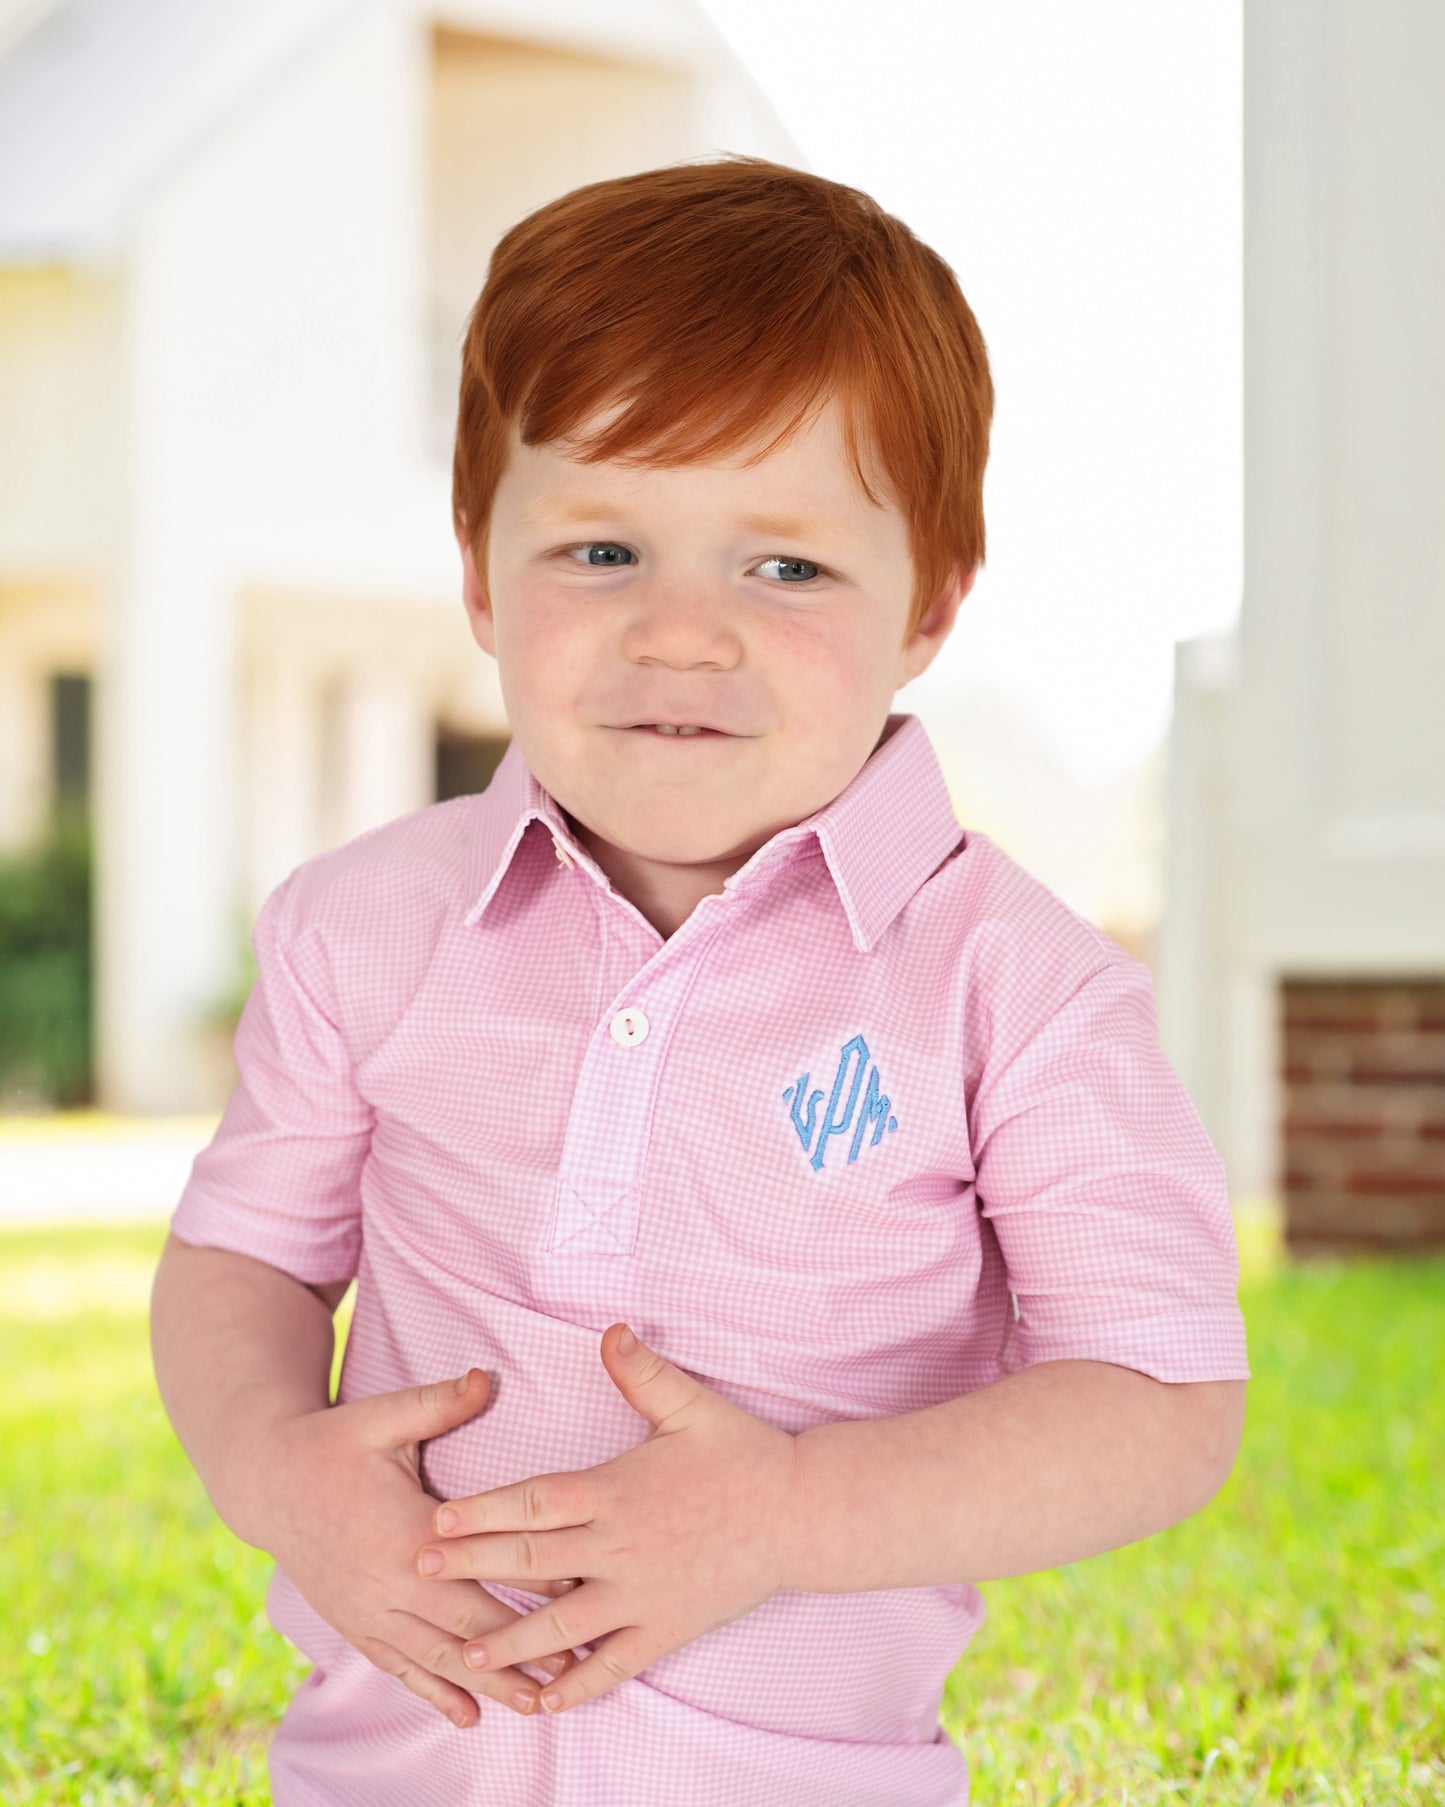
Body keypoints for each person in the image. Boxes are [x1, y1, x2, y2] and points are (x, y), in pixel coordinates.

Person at [151, 154, 1249, 1807]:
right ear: (476, 571)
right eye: (599, 551)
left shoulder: (1014, 989)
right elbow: (240, 1259)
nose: (681, 633)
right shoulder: (359, 928)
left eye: (784, 566)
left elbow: (1158, 1398)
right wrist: (268, 1462)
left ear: (930, 603)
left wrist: (783, 1511)